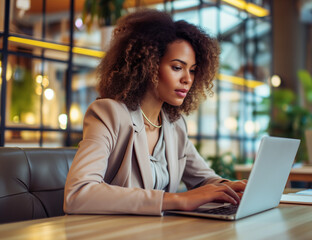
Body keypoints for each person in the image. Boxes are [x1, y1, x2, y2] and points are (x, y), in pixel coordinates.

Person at [64, 9, 247, 216]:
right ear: (148, 66)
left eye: (193, 70)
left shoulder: (174, 125)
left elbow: (204, 179)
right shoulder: (109, 114)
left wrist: (235, 187)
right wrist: (177, 199)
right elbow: (78, 193)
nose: (187, 79)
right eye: (177, 67)